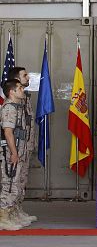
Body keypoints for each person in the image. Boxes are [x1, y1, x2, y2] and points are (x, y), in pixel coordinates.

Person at [5, 67, 36, 226]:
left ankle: (16, 210)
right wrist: (14, 151)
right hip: (16, 147)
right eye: (24, 75)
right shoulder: (12, 104)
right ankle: (6, 215)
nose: (28, 77)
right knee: (11, 182)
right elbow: (9, 129)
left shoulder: (24, 98)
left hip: (25, 146)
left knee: (20, 181)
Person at [0, 79, 32, 230]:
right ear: (11, 91)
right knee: (9, 184)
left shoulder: (17, 107)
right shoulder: (9, 108)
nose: (22, 90)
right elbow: (8, 132)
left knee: (15, 184)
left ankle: (11, 214)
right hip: (9, 152)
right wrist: (13, 153)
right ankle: (3, 217)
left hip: (17, 150)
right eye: (19, 88)